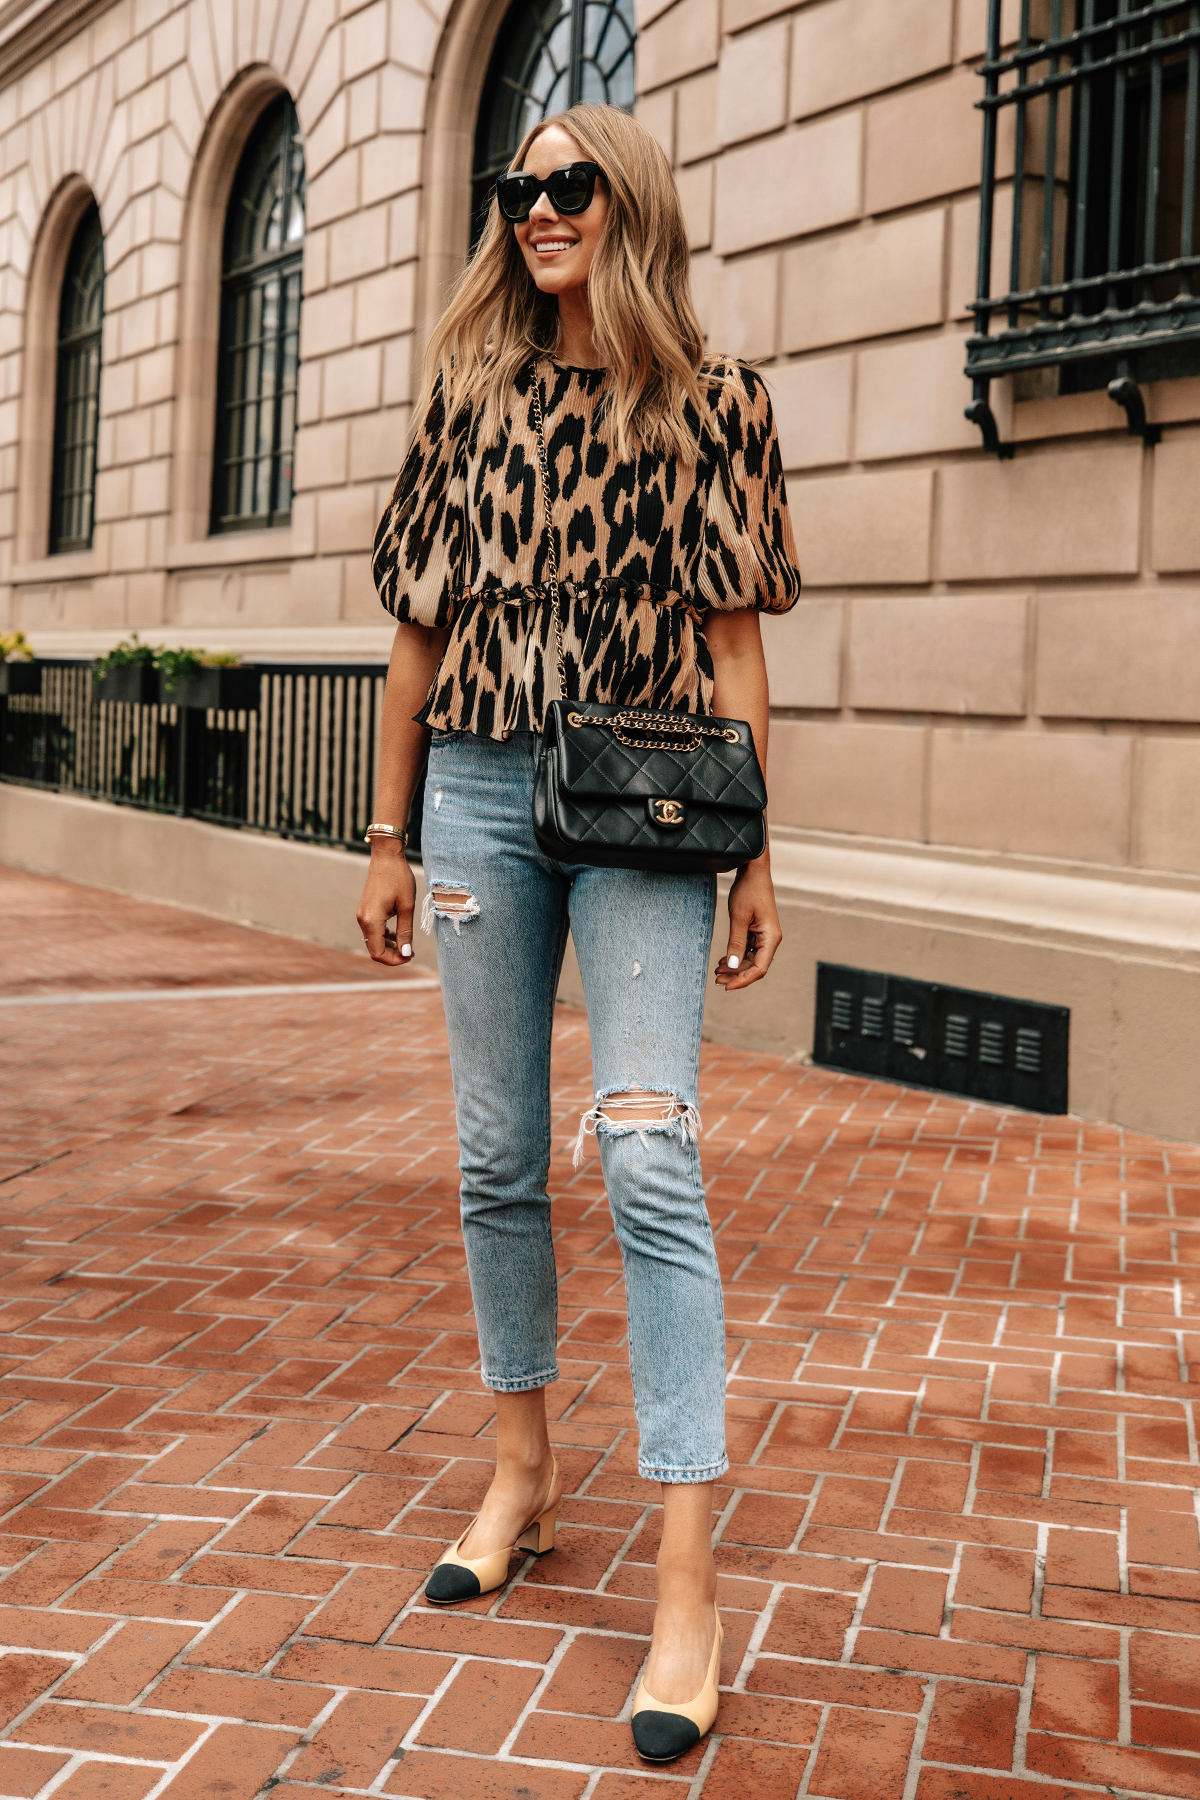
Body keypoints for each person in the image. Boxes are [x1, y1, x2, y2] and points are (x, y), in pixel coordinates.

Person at [357, 101, 800, 1763]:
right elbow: (419, 631)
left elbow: (735, 644)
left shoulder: (715, 405)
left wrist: (762, 850)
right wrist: (390, 832)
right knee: (493, 1153)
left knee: (649, 1158)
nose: (539, 208)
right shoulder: (467, 393)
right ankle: (524, 1474)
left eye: (572, 186)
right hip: (472, 790)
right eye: (521, 188)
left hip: (648, 805)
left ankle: (688, 1581)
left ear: (633, 205)